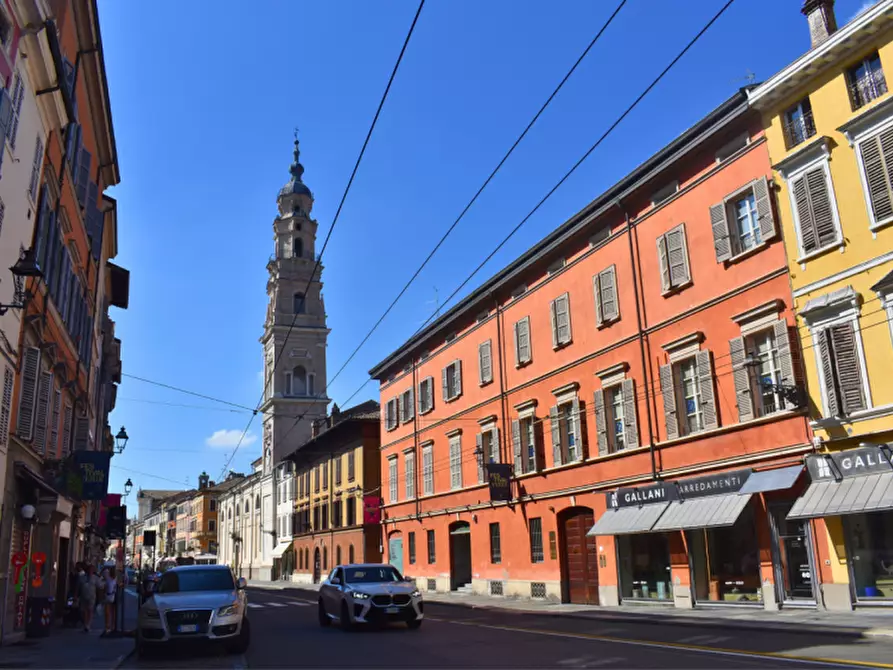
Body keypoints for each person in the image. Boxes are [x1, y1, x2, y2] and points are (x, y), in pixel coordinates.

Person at [78, 564, 100, 633]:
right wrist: (76, 595)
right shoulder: (82, 577)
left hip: (92, 596)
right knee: (84, 611)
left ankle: (88, 625)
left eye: (92, 570)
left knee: (90, 610)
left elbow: (99, 586)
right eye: (89, 569)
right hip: (83, 596)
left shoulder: (95, 578)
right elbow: (78, 586)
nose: (90, 571)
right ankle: (85, 624)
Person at [101, 566, 117, 636]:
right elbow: (104, 586)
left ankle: (112, 626)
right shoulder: (108, 578)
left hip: (114, 596)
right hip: (108, 596)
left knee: (113, 612)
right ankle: (107, 626)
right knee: (107, 612)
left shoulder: (116, 579)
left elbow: (125, 581)